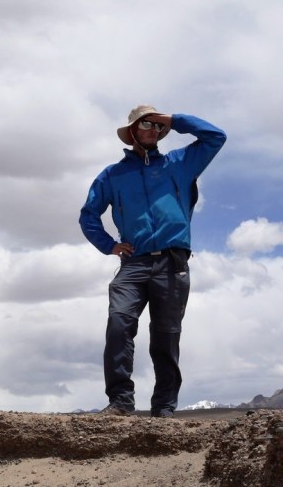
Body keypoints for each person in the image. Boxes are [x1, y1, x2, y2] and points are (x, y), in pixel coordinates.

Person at [79, 104, 226, 418]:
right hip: (134, 263)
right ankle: (120, 402)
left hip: (173, 263)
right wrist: (109, 245)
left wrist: (173, 119)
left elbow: (215, 137)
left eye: (158, 126)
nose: (153, 130)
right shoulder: (113, 175)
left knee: (166, 335)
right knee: (119, 322)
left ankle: (163, 409)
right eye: (146, 124)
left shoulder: (179, 164)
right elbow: (88, 215)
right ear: (132, 131)